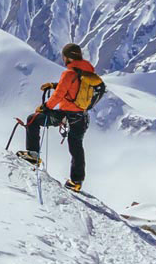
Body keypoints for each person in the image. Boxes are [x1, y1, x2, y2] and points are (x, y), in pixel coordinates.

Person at [17, 43, 98, 191]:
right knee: (76, 147)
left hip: (66, 114)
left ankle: (33, 155)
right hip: (81, 116)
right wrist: (54, 84)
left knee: (32, 119)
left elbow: (60, 94)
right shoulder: (89, 71)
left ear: (67, 57)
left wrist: (45, 107)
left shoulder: (68, 73)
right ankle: (76, 182)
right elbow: (76, 87)